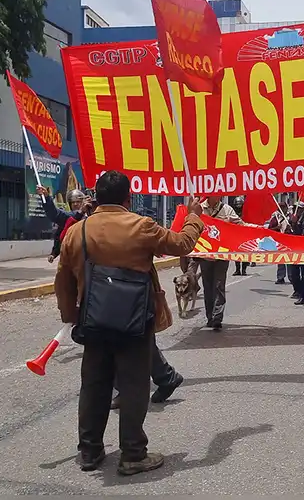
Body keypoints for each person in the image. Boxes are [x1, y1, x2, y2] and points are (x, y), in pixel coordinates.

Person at [54, 170, 204, 475]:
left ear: (95, 197)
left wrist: (70, 316)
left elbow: (63, 280)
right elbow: (183, 243)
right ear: (128, 198)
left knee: (94, 386)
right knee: (134, 386)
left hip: (92, 319)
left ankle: (90, 451)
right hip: (135, 320)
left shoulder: (76, 232)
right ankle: (133, 454)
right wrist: (193, 215)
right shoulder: (142, 226)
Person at [200, 196, 246, 331]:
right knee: (207, 287)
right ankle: (210, 316)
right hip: (205, 255)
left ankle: (217, 318)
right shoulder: (199, 209)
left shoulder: (226, 209)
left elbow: (240, 224)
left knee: (219, 285)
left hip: (222, 255)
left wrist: (257, 229)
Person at [38, 187, 91, 263]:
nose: (75, 204)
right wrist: (54, 253)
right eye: (73, 202)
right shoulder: (69, 217)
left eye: (78, 201)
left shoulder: (92, 216)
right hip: (72, 258)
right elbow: (55, 216)